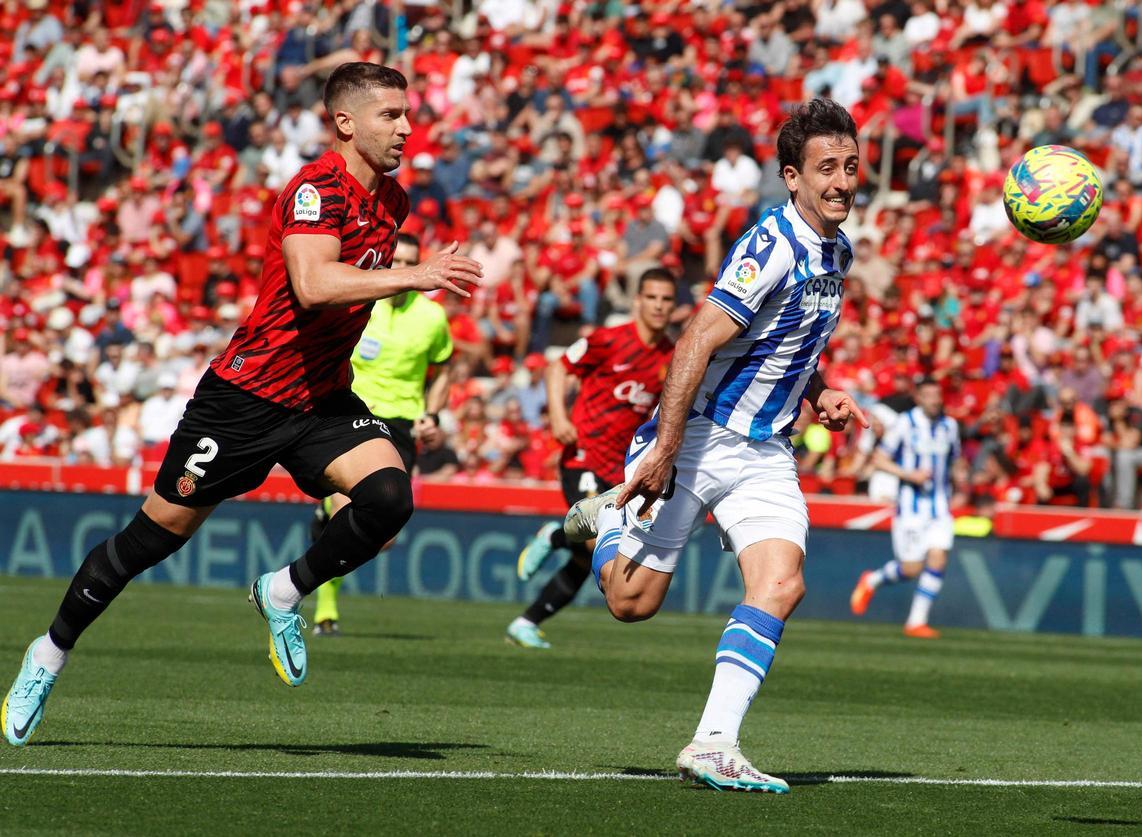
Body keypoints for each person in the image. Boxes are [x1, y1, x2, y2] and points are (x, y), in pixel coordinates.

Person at [2, 62, 483, 747]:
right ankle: (47, 654)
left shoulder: (394, 202)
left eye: (408, 114)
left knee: (389, 497)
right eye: (392, 115)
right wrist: (422, 272)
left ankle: (284, 589)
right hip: (246, 397)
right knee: (149, 539)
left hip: (319, 398)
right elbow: (313, 285)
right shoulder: (316, 190)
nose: (407, 127)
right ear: (346, 122)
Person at [562, 100, 868, 793]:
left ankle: (714, 741)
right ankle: (609, 518)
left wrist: (821, 395)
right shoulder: (772, 245)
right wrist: (666, 448)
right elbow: (698, 338)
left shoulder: (838, 250)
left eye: (850, 165)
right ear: (791, 177)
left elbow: (786, 343)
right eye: (827, 167)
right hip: (700, 437)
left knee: (782, 583)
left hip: (767, 453)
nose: (843, 180)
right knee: (630, 603)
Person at [506, 269, 676, 649]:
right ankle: (553, 534)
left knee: (589, 558)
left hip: (621, 468)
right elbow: (558, 367)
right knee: (597, 538)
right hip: (583, 456)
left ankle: (525, 622)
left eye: (666, 299)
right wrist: (559, 415)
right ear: (637, 301)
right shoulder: (608, 340)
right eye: (652, 298)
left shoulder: (671, 358)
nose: (659, 306)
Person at [308, 232, 454, 635]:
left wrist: (434, 414)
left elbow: (442, 371)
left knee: (381, 537)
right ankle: (325, 609)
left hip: (402, 426)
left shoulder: (432, 317)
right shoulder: (358, 303)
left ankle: (323, 514)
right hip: (352, 416)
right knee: (346, 511)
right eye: (398, 261)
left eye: (412, 262)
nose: (404, 269)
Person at [850, 378, 961, 639]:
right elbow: (879, 459)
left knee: (938, 558)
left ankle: (916, 621)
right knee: (911, 568)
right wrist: (909, 475)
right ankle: (872, 580)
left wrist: (961, 485)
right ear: (919, 398)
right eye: (929, 396)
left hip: (940, 507)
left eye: (937, 395)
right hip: (911, 509)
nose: (935, 400)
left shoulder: (950, 426)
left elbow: (954, 462)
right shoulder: (904, 424)